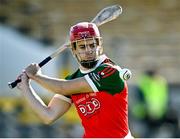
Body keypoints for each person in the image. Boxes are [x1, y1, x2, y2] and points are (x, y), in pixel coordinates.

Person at [17, 22, 133, 138]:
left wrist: (36, 75)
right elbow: (48, 116)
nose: (88, 50)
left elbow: (62, 88)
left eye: (92, 45)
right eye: (82, 46)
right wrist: (26, 87)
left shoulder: (110, 71)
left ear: (99, 46)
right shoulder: (72, 80)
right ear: (74, 50)